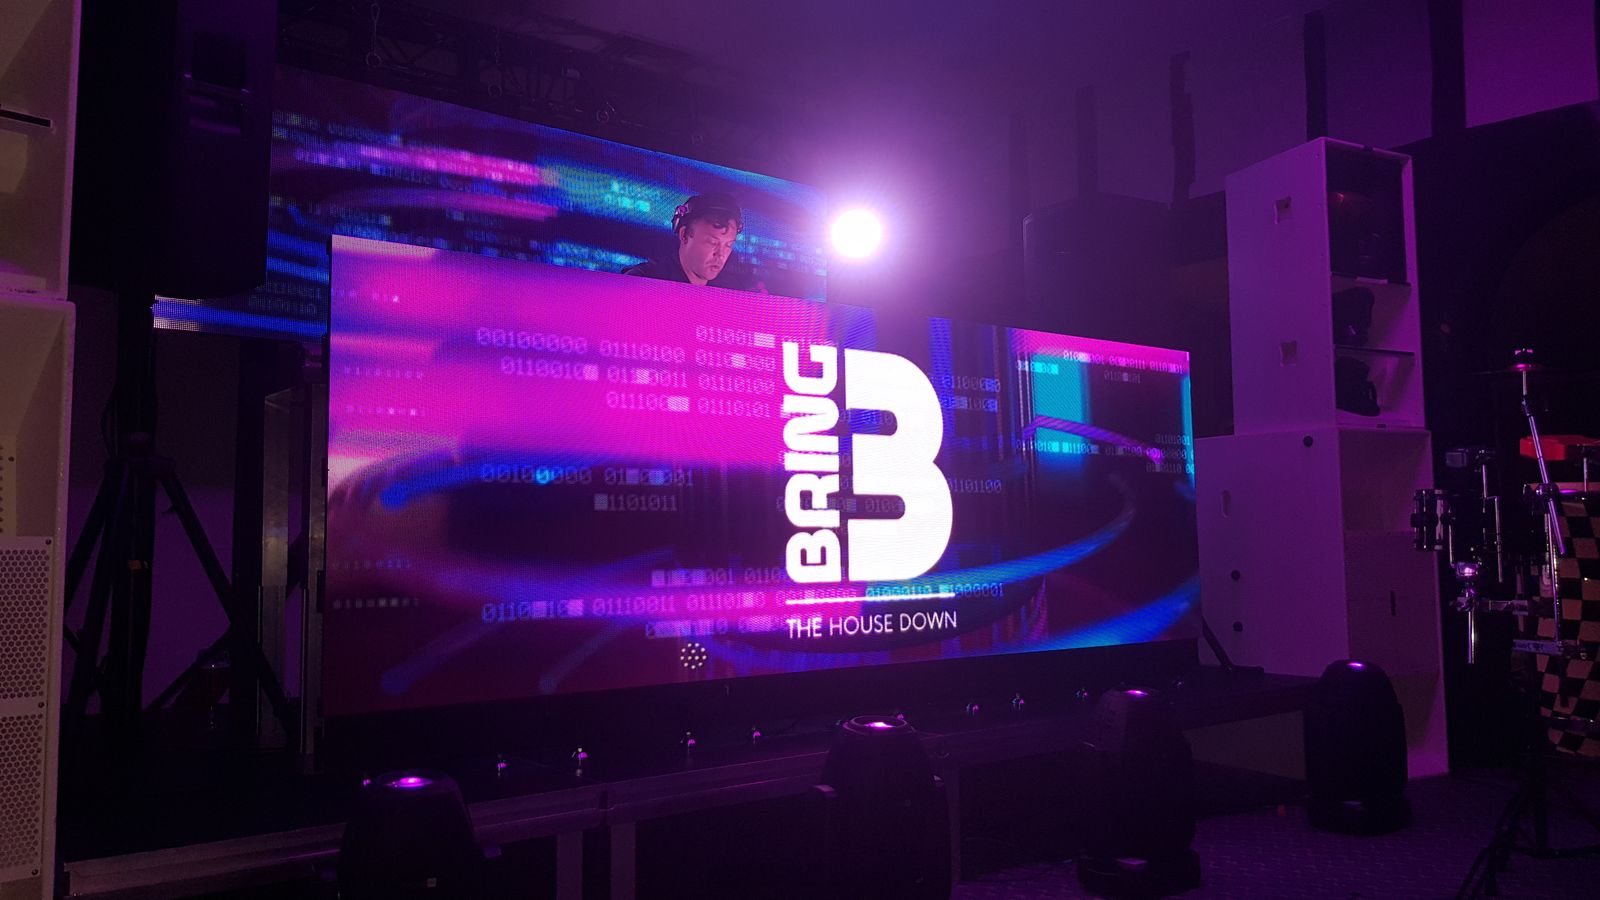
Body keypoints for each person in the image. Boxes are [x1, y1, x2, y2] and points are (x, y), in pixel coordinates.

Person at [622, 192, 752, 290]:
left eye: (728, 245)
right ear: (684, 235)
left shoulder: (732, 291)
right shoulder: (642, 283)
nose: (721, 254)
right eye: (712, 242)